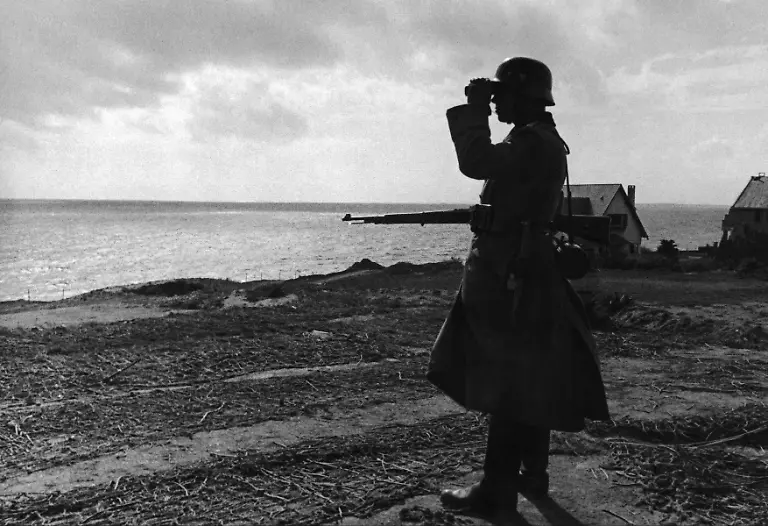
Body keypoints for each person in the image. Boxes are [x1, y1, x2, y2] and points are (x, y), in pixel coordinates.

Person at [426, 57, 611, 519]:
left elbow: (475, 162)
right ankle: (532, 476)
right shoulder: (537, 138)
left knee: (508, 384)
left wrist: (474, 110)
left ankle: (497, 491)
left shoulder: (532, 141)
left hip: (512, 274)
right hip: (521, 269)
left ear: (521, 97)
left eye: (502, 96)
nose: (497, 103)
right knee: (528, 379)